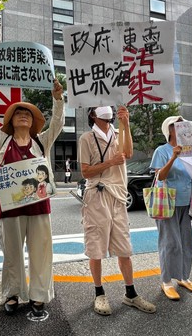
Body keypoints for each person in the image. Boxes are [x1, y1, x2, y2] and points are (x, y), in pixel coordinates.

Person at [0, 72, 64, 317]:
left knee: (41, 251)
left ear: (33, 121)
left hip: (39, 207)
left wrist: (58, 100)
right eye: (18, 112)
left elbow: (57, 124)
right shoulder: (1, 140)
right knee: (11, 254)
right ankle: (12, 294)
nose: (23, 115)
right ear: (11, 120)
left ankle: (38, 295)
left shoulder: (41, 141)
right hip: (9, 207)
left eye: (27, 113)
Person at [78, 106, 156, 316]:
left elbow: (128, 153)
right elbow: (85, 171)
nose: (106, 109)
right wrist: (110, 162)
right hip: (97, 195)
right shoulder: (86, 138)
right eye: (100, 107)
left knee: (124, 247)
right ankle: (99, 293)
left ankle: (130, 294)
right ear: (92, 114)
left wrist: (126, 123)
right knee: (96, 247)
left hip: (119, 196)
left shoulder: (120, 132)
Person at [151, 116, 192, 300]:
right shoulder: (163, 150)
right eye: (178, 125)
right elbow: (160, 176)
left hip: (187, 203)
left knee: (186, 243)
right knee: (170, 243)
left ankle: (184, 277)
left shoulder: (191, 151)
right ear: (170, 130)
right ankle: (166, 281)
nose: (183, 128)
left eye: (185, 125)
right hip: (168, 203)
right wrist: (174, 156)